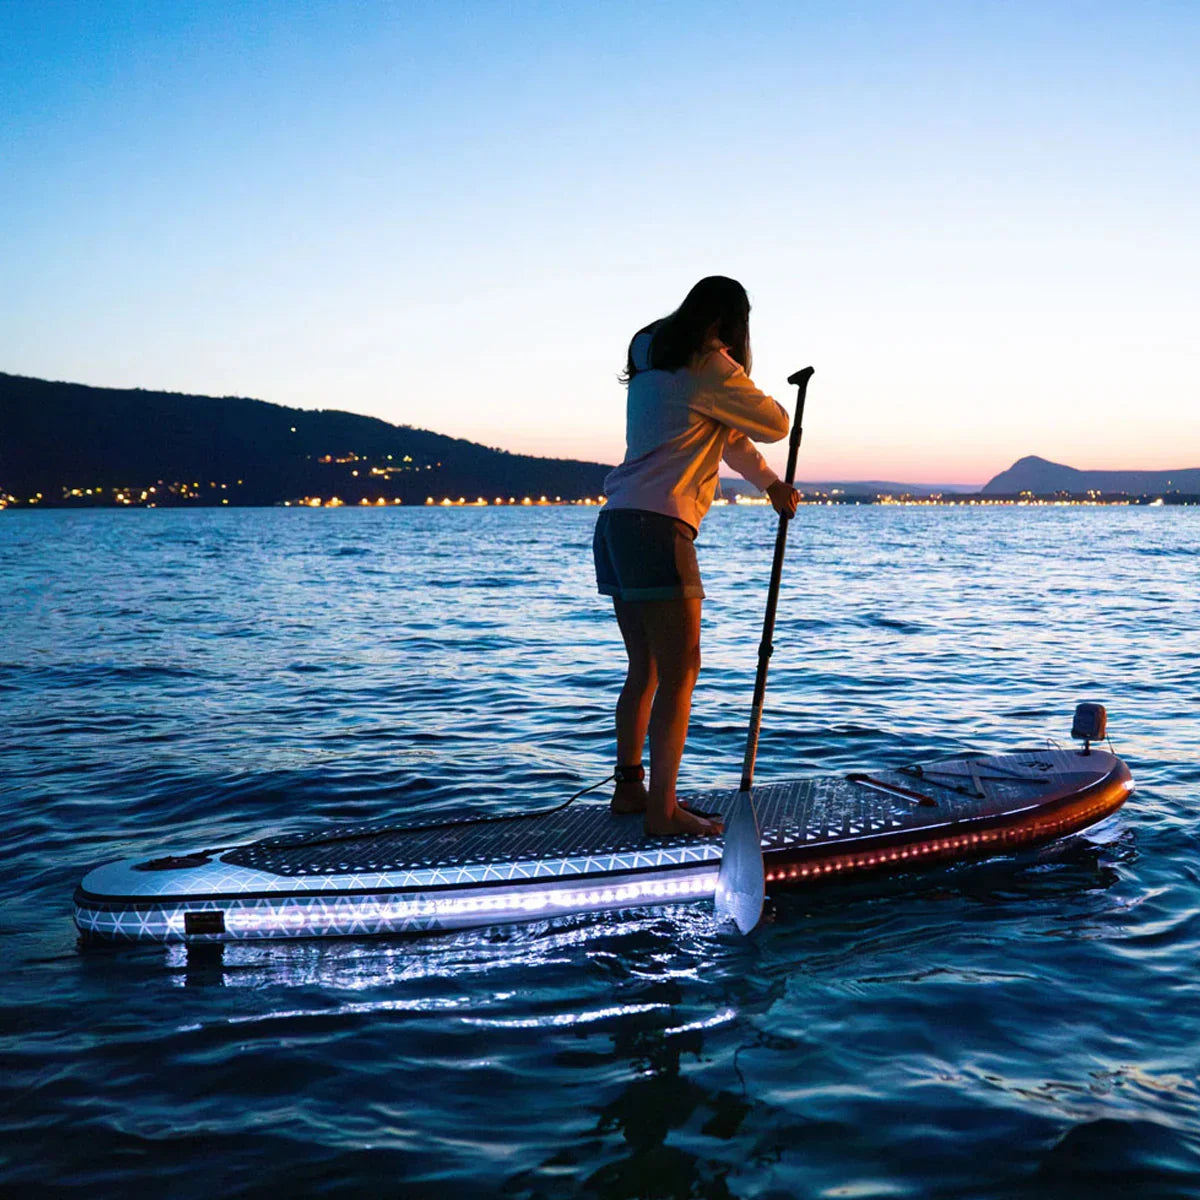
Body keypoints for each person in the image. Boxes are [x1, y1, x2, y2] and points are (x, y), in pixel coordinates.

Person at [593, 276, 799, 837]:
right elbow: (776, 423)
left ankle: (630, 790)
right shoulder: (710, 366)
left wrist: (769, 484)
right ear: (729, 324)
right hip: (660, 529)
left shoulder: (654, 355)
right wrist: (738, 371)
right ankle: (663, 812)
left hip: (616, 524)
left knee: (647, 667)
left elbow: (728, 439)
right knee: (682, 669)